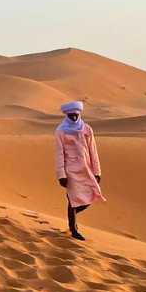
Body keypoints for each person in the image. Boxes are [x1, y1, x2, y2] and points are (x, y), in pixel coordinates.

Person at [55, 101, 105, 241]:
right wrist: (61, 175)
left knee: (90, 196)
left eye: (76, 115)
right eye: (71, 116)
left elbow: (93, 150)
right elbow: (59, 154)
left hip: (86, 169)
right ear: (66, 115)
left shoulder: (87, 129)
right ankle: (73, 229)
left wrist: (97, 172)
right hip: (70, 171)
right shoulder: (60, 131)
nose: (74, 118)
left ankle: (71, 218)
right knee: (73, 200)